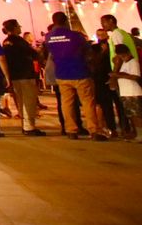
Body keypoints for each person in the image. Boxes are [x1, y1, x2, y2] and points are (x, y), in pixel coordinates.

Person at [44, 11, 106, 141]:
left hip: (62, 73)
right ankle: (94, 130)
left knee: (66, 103)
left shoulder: (49, 37)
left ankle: (71, 130)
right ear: (66, 20)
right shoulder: (75, 36)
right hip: (80, 72)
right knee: (88, 102)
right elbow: (87, 51)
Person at [1, 19, 43, 135]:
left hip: (14, 76)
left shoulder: (5, 42)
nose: (20, 28)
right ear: (15, 28)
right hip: (25, 75)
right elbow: (33, 54)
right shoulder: (20, 41)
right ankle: (29, 127)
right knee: (29, 102)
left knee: (20, 102)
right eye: (18, 26)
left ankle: (25, 125)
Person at [100, 15, 135, 138]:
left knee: (125, 105)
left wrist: (114, 75)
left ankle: (128, 130)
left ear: (111, 21)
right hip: (126, 72)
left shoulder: (116, 34)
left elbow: (119, 55)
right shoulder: (122, 33)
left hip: (123, 73)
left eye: (104, 22)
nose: (103, 25)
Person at [108, 43, 142, 144]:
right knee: (131, 115)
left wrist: (118, 75)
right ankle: (135, 132)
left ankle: (140, 135)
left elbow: (135, 77)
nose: (122, 58)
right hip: (125, 92)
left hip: (133, 92)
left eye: (123, 55)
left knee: (136, 115)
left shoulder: (133, 63)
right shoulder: (125, 63)